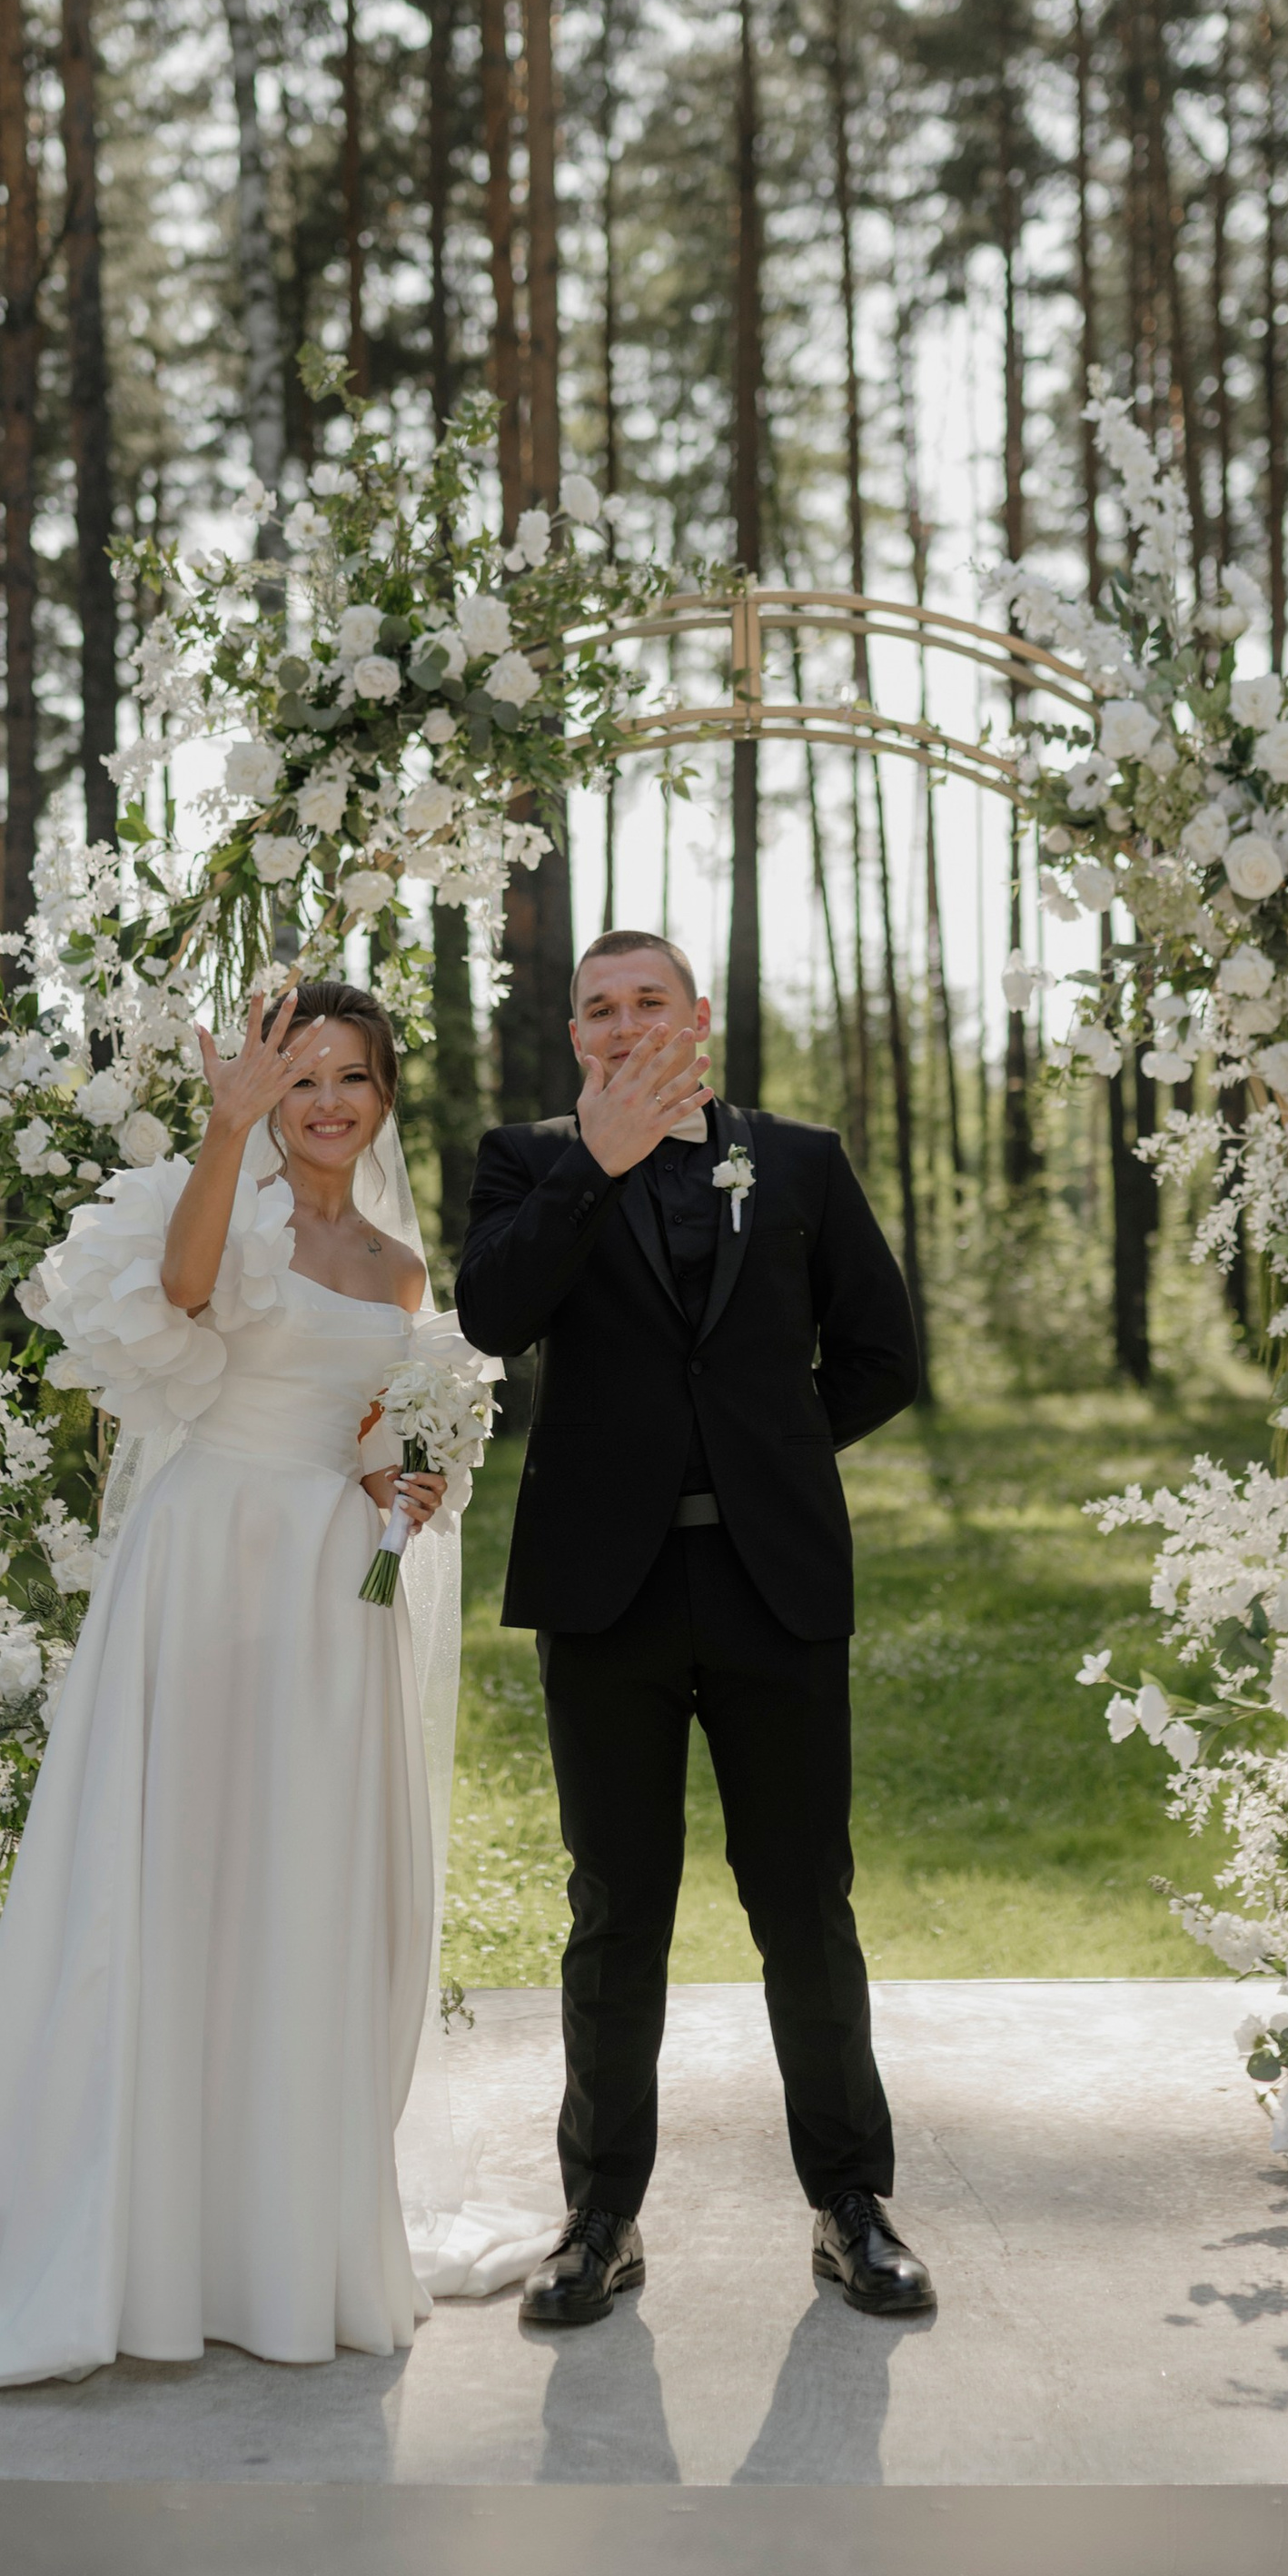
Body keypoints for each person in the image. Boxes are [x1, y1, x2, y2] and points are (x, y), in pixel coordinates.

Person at [0, 978, 546, 2392]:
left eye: (351, 1078)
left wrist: (395, 1476)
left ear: (386, 1094)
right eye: (301, 1081)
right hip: (208, 1562)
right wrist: (225, 1134)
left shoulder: (405, 1271)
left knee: (301, 1882)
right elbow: (179, 1297)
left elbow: (369, 1430)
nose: (328, 1103)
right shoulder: (229, 1203)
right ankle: (143, 2232)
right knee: (180, 1871)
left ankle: (278, 2230)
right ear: (268, 1096)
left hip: (326, 1587)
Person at [453, 929, 936, 2330]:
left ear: (700, 1020)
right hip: (602, 1598)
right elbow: (491, 1313)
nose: (622, 1022)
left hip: (771, 1588)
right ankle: (599, 2217)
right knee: (616, 1914)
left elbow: (882, 1355)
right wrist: (589, 1166)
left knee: (804, 1901)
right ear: (574, 1036)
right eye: (597, 1008)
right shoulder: (521, 1157)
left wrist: (767, 1452)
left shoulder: (798, 1159)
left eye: (647, 999)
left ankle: (852, 2206)